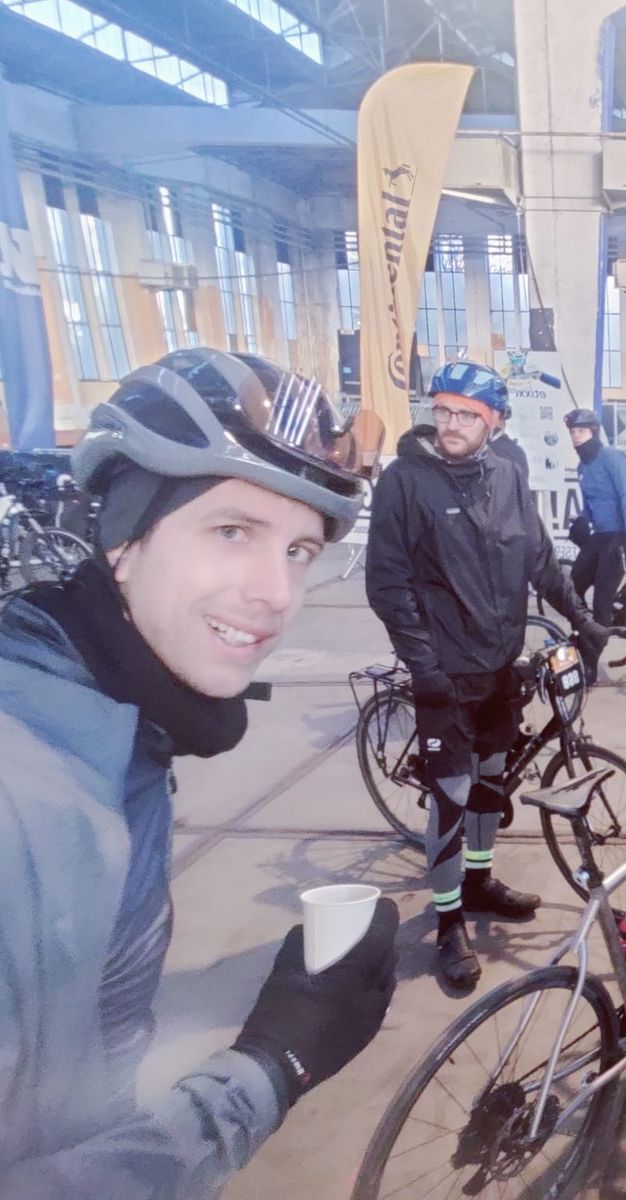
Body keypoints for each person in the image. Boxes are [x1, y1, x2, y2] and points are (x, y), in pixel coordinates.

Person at [0, 348, 398, 1198]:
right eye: (232, 531)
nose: (276, 592)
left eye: (299, 550)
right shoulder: (23, 795)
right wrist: (263, 1074)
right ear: (123, 537)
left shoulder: (109, 736)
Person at [366, 360, 610, 990]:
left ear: (493, 421)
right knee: (449, 799)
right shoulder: (405, 482)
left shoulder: (507, 474)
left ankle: (478, 881)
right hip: (443, 674)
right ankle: (448, 923)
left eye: (465, 415)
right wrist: (424, 667)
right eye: (442, 411)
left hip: (500, 666)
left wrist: (582, 620)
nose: (449, 424)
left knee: (491, 787)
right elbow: (388, 585)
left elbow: (540, 560)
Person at [564, 406, 626, 682]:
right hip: (600, 536)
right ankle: (585, 635)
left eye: (581, 431)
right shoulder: (582, 466)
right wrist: (581, 520)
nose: (576, 436)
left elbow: (625, 494)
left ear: (594, 432)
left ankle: (590, 662)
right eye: (572, 432)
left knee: (601, 602)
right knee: (571, 588)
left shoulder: (612, 457)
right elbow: (589, 504)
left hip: (620, 535)